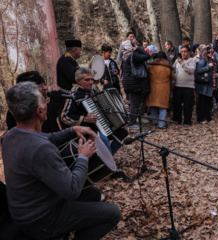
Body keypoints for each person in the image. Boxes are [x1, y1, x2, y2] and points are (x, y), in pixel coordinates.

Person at [2, 81, 121, 240]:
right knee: (113, 213)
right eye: (44, 101)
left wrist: (73, 129)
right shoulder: (40, 150)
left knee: (92, 194)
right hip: (41, 219)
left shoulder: (12, 136)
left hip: (28, 210)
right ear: (40, 110)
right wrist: (83, 157)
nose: (47, 102)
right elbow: (72, 190)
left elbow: (48, 137)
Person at [121, 39, 151, 130]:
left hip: (129, 83)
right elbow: (147, 55)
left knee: (134, 103)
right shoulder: (133, 56)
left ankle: (133, 121)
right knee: (134, 104)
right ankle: (132, 123)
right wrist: (137, 48)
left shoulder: (124, 57)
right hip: (135, 84)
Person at [146, 51, 174, 129]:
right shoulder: (168, 67)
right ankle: (161, 124)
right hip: (163, 90)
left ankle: (155, 121)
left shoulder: (151, 66)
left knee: (153, 105)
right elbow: (172, 77)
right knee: (163, 107)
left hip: (153, 89)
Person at [172, 45, 196, 126]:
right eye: (182, 52)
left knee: (188, 105)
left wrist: (182, 63)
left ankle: (187, 121)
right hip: (178, 86)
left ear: (189, 52)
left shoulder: (192, 61)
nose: (183, 53)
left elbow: (191, 70)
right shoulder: (176, 61)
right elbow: (173, 70)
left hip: (188, 87)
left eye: (185, 51)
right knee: (177, 105)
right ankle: (177, 120)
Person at [195, 47, 216, 124]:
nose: (210, 53)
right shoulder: (202, 61)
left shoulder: (209, 60)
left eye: (211, 52)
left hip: (209, 84)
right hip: (203, 85)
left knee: (208, 102)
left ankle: (208, 117)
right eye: (208, 52)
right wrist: (208, 67)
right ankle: (200, 118)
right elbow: (199, 70)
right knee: (202, 102)